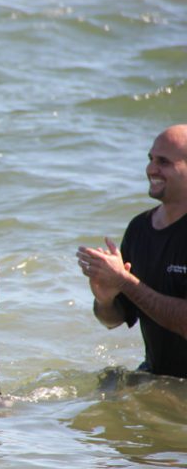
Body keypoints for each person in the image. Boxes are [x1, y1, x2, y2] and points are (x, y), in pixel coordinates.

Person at [77, 124, 187, 378]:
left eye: (164, 161)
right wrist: (105, 298)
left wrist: (125, 282)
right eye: (150, 159)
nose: (151, 169)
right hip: (158, 374)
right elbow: (113, 319)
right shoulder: (140, 228)